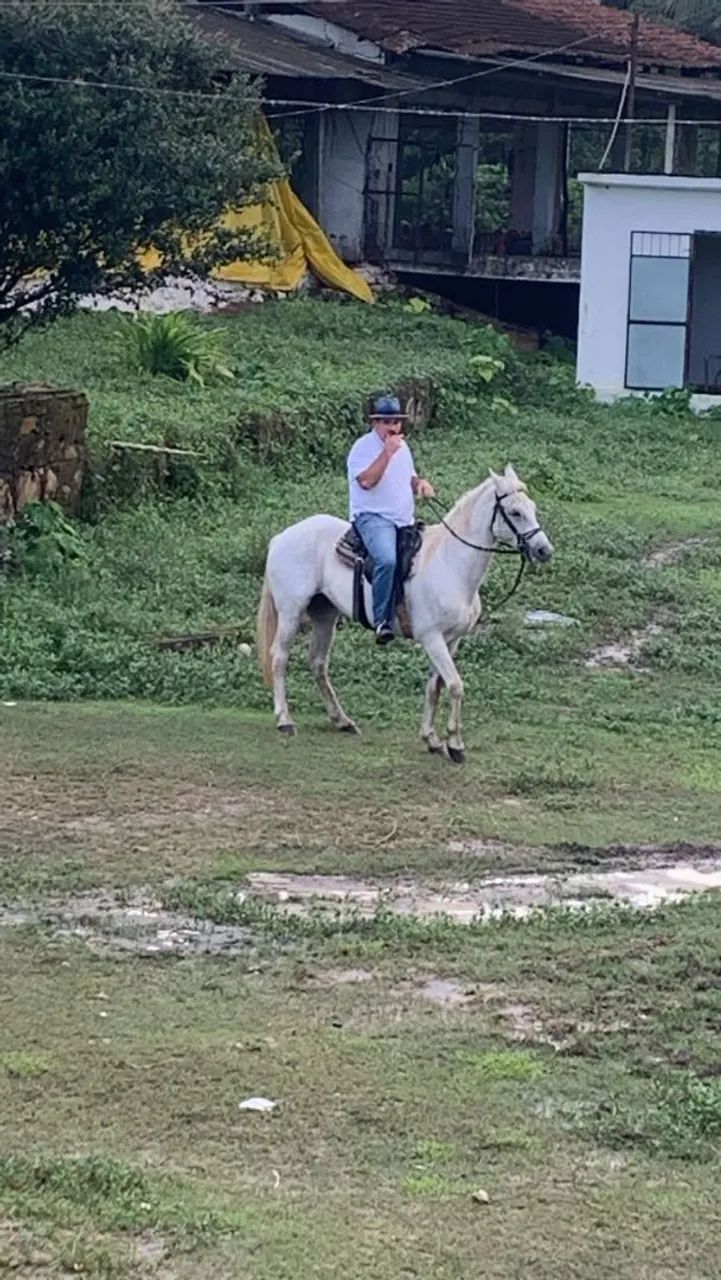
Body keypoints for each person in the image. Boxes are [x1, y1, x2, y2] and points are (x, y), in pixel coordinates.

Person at [347, 395, 435, 645]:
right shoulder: (362, 448)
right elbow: (366, 481)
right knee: (386, 559)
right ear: (375, 423)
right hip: (373, 517)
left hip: (403, 519)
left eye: (396, 421)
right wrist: (386, 453)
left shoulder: (402, 447)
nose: (393, 427)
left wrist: (420, 484)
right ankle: (382, 620)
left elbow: (409, 476)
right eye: (386, 421)